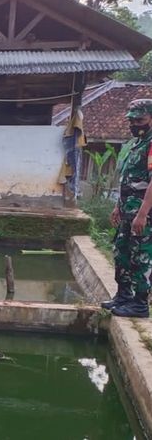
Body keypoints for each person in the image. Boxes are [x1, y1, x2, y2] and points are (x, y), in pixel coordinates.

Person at [102, 99, 152, 318]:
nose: (135, 124)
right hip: (127, 211)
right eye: (132, 120)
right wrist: (117, 207)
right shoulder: (137, 143)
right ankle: (123, 297)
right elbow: (128, 179)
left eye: (139, 120)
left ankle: (139, 304)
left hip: (143, 214)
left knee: (140, 256)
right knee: (121, 252)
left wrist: (143, 214)